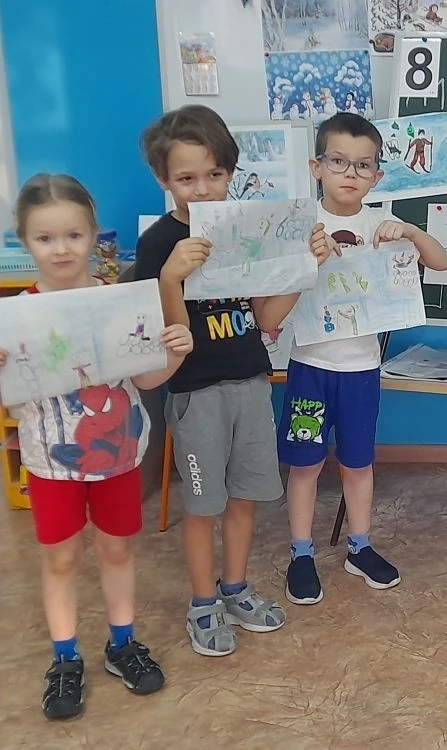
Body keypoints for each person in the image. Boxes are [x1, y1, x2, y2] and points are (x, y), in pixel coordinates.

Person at [134, 104, 330, 656]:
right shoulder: (158, 244)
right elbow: (163, 336)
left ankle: (235, 588)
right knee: (203, 506)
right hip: (195, 393)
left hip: (250, 382)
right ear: (163, 179)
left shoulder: (244, 229)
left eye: (214, 174)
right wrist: (171, 277)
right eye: (186, 178)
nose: (202, 189)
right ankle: (202, 602)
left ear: (231, 172)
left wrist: (304, 268)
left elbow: (266, 318)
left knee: (245, 497)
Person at [0, 174, 193, 718]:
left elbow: (146, 380)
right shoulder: (14, 318)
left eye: (73, 235)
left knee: (116, 549)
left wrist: (174, 352)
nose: (61, 249)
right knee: (61, 558)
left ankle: (122, 643)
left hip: (117, 455)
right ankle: (64, 657)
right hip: (50, 461)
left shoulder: (119, 304)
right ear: (24, 240)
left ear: (93, 235)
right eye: (45, 238)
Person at [279, 112, 447, 605]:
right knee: (305, 465)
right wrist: (302, 257)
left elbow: (440, 261)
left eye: (362, 165)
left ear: (377, 175)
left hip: (360, 372)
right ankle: (301, 553)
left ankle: (359, 546)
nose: (349, 173)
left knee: (358, 463)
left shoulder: (380, 224)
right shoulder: (301, 226)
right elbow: (274, 291)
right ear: (316, 167)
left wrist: (410, 232)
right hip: (309, 369)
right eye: (338, 162)